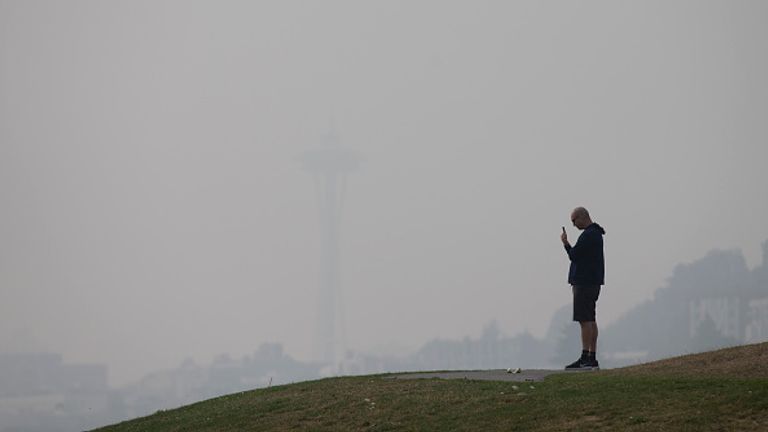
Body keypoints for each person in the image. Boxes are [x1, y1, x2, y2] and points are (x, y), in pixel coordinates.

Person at [560, 207, 605, 370]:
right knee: (591, 319)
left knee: (584, 320)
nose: (573, 225)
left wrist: (565, 243)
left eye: (574, 221)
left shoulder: (588, 235)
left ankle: (585, 357)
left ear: (582, 217)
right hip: (593, 282)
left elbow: (574, 255)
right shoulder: (596, 233)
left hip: (584, 283)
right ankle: (592, 356)